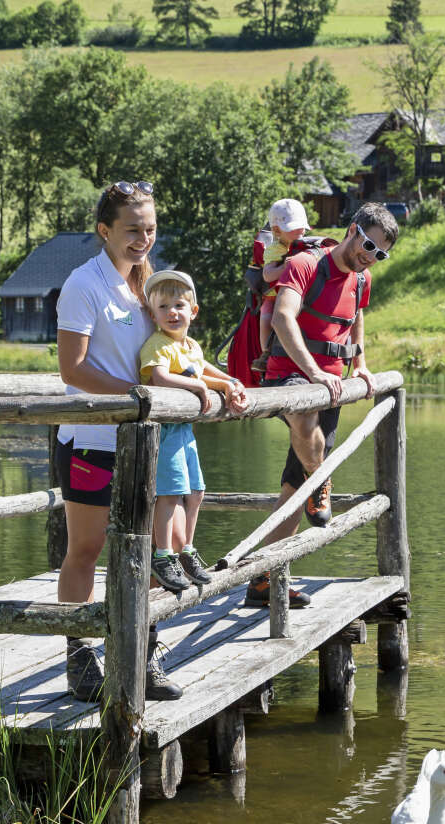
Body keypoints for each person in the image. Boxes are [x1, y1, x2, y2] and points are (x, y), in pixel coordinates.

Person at [53, 179, 181, 703]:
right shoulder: (83, 285)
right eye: (132, 230)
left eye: (149, 229)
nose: (142, 239)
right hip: (91, 440)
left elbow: (172, 353)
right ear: (104, 230)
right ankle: (80, 657)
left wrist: (215, 381)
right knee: (87, 548)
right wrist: (138, 393)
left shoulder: (147, 282)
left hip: (143, 441)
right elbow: (74, 368)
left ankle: (142, 657)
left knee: (150, 551)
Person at [246, 202, 398, 609]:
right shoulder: (304, 263)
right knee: (303, 416)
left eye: (380, 253)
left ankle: (264, 578)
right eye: (368, 245)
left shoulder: (361, 280)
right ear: (352, 231)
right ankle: (323, 478)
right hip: (291, 372)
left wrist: (360, 364)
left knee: (293, 489)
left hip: (332, 381)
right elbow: (282, 319)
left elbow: (356, 319)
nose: (371, 256)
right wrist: (313, 372)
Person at [137, 268, 248, 592]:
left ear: (193, 311)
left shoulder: (190, 347)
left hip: (186, 432)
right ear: (153, 314)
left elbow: (206, 372)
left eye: (179, 306)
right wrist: (199, 386)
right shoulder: (158, 345)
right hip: (166, 431)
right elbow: (160, 377)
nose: (172, 313)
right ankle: (163, 554)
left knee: (196, 491)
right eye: (163, 307)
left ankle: (186, 549)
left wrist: (230, 385)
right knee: (169, 493)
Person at [252, 198, 310, 373]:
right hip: (274, 295)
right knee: (266, 316)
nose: (300, 231)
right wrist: (285, 266)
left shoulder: (307, 245)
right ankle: (266, 352)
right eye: (294, 228)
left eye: (303, 227)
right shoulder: (275, 250)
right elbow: (267, 275)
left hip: (297, 293)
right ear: (277, 230)